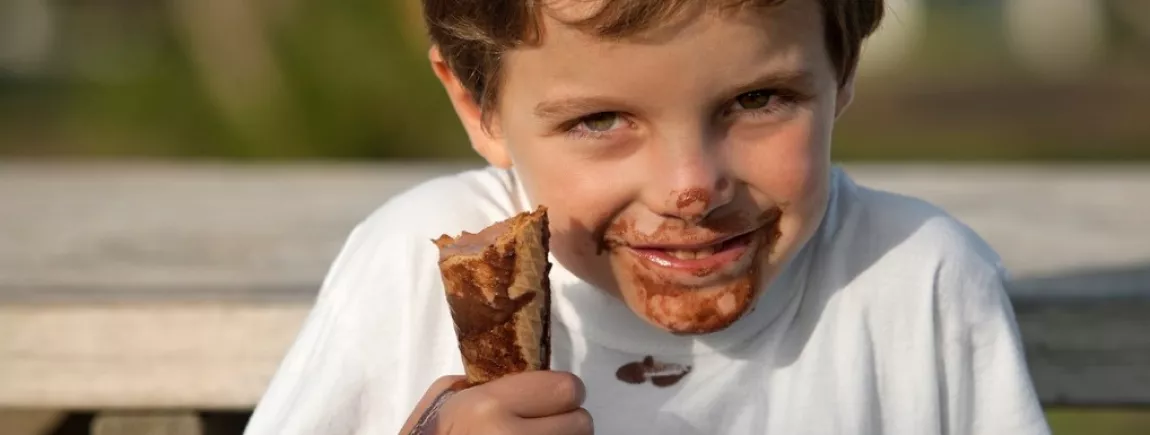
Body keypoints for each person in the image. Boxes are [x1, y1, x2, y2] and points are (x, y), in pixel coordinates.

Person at [244, 1, 1051, 434]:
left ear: (842, 70)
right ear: (478, 105)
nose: (690, 186)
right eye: (600, 120)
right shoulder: (412, 267)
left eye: (758, 99)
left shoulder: (917, 278)